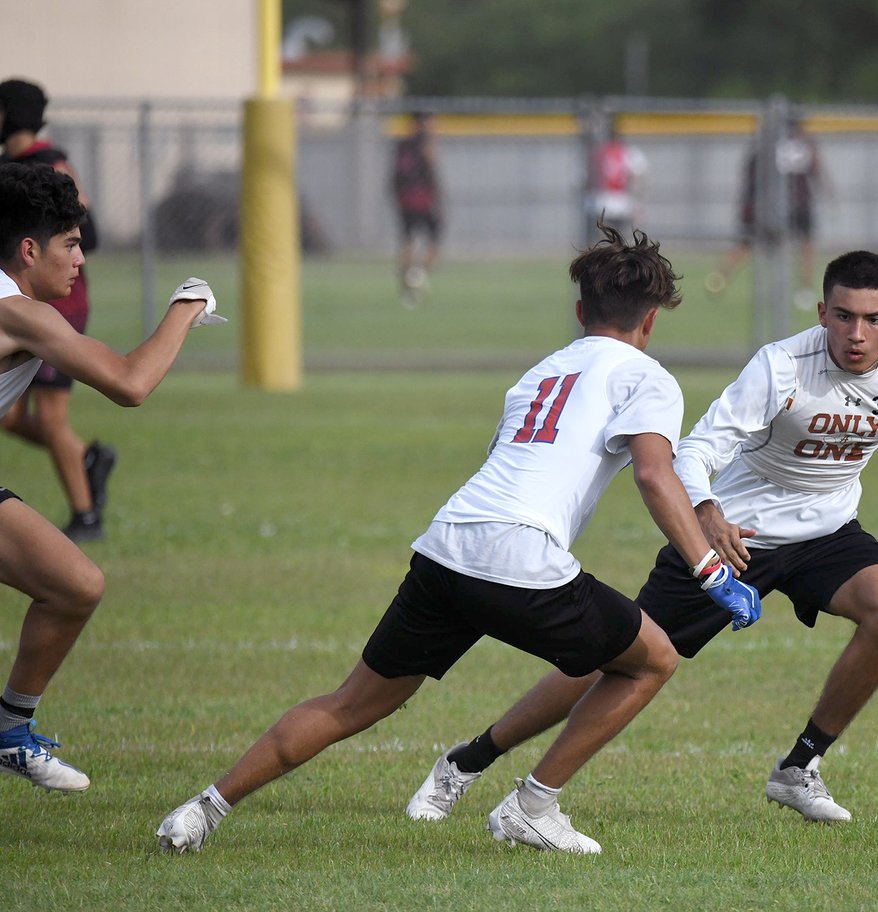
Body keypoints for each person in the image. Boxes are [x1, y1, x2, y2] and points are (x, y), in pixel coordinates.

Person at [156, 224, 761, 856]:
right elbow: (654, 473)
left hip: (448, 545)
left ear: (581, 310)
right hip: (521, 556)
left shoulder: (540, 372)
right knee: (653, 658)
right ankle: (533, 804)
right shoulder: (649, 377)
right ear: (652, 321)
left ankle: (204, 809)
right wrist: (711, 572)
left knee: (351, 702)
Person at [405, 249, 878, 825]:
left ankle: (799, 766)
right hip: (734, 536)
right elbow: (696, 451)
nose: (856, 334)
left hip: (828, 529)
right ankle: (469, 760)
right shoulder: (781, 366)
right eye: (843, 316)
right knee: (610, 659)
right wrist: (705, 512)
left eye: (872, 319)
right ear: (822, 313)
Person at [0, 161, 225, 793]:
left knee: (75, 584)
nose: (79, 260)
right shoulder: (22, 313)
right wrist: (189, 304)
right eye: (70, 244)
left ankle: (10, 729)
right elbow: (130, 383)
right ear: (28, 249)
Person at [0, 78, 116, 542]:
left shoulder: (50, 162)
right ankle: (87, 456)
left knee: (49, 418)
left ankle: (85, 514)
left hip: (58, 303)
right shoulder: (12, 167)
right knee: (11, 417)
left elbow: (88, 227)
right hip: (22, 298)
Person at [706, 119, 825, 309]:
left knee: (757, 245)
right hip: (790, 204)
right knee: (800, 246)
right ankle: (803, 290)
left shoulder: (769, 147)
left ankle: (719, 280)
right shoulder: (801, 145)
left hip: (776, 205)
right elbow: (817, 170)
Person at [390, 112, 441, 304]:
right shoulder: (425, 141)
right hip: (423, 198)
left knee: (408, 240)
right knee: (434, 240)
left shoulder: (402, 144)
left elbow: (394, 176)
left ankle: (405, 283)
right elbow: (431, 168)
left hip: (404, 199)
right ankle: (417, 277)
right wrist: (439, 197)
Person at [587, 123, 647, 239]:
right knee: (619, 236)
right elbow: (639, 176)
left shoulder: (599, 152)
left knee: (605, 235)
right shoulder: (627, 152)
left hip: (606, 199)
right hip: (617, 199)